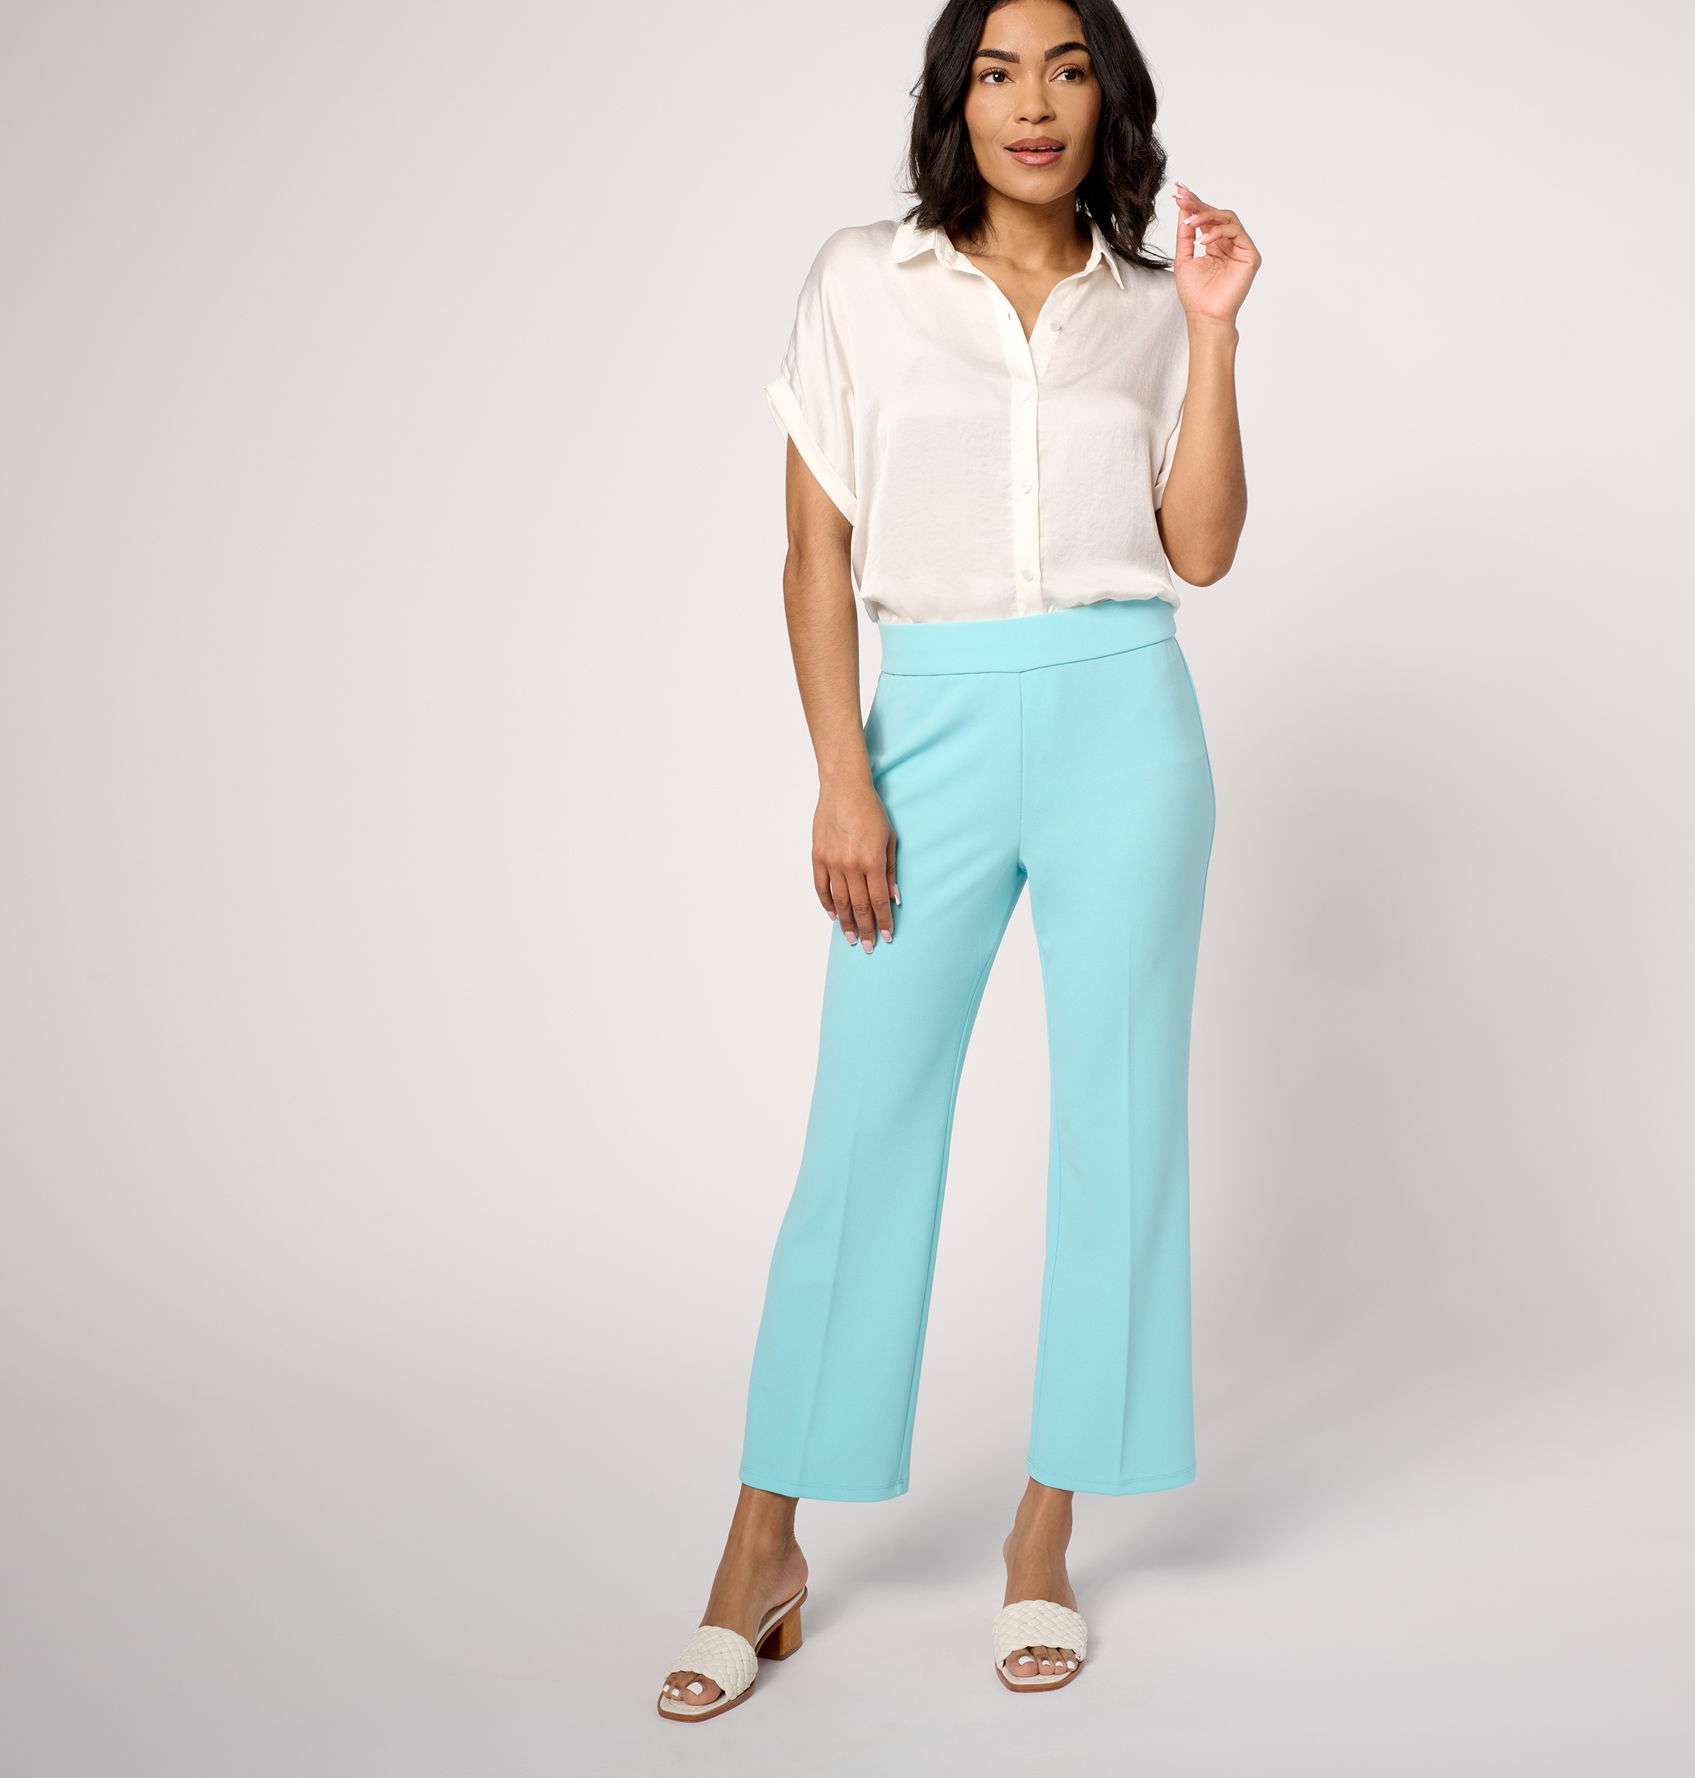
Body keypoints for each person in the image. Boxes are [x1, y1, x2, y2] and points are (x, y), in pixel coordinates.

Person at [659, 0, 1254, 1721]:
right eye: (998, 72)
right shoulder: (866, 281)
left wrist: (1214, 334)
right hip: (927, 725)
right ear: (957, 98)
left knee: (1119, 1127)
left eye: (1066, 69)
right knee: (864, 1129)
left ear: (1108, 98)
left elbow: (1202, 549)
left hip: (1127, 717)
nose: (1033, 103)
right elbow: (812, 551)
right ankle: (760, 1545)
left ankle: (1045, 1530)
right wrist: (842, 776)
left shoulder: (1147, 300)